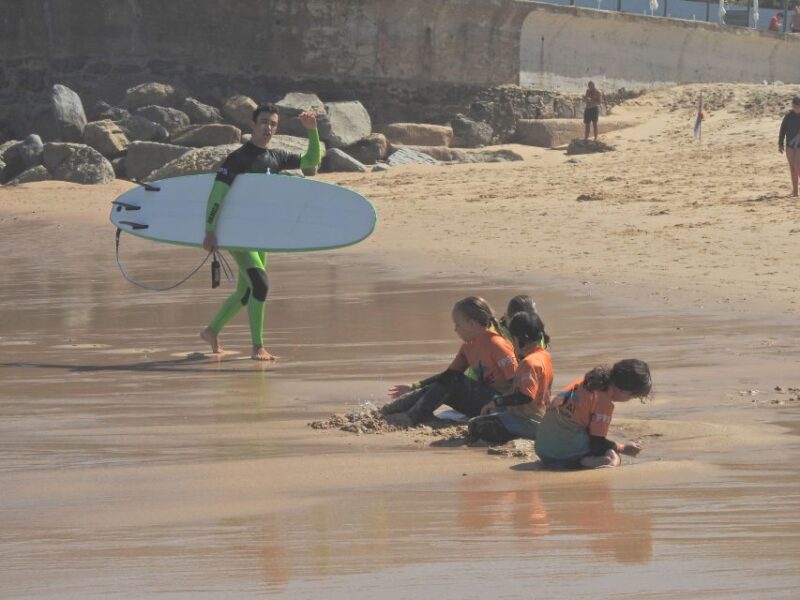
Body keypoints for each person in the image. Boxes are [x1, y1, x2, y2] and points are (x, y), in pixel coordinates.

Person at [200, 104, 322, 360]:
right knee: (261, 283)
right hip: (238, 234)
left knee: (245, 292)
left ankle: (211, 331)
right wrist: (210, 230)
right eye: (264, 122)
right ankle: (258, 347)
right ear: (253, 124)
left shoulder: (276, 158)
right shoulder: (238, 159)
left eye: (273, 124)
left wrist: (312, 131)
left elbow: (311, 162)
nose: (268, 127)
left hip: (261, 235)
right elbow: (217, 194)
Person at [382, 296, 518, 427]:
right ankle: (390, 410)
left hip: (499, 405)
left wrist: (501, 405)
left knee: (454, 381)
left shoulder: (497, 345)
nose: (455, 330)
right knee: (442, 384)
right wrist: (414, 386)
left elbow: (518, 383)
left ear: (472, 324)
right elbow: (447, 377)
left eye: (457, 325)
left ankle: (414, 416)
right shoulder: (468, 347)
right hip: (481, 402)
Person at [534, 359, 651, 469]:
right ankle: (582, 461)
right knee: (612, 457)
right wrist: (623, 448)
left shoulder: (586, 382)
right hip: (561, 455)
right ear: (624, 391)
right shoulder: (603, 401)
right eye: (632, 397)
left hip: (542, 448)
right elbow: (597, 443)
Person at [467, 311, 553, 445]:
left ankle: (515, 434)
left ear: (519, 339)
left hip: (528, 421)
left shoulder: (529, 362)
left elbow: (525, 396)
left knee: (474, 425)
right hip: (540, 416)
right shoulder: (544, 356)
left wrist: (496, 403)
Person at [778, 96, 800, 197]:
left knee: (798, 166)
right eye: (794, 105)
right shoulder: (788, 116)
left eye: (797, 105)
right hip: (789, 145)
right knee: (792, 168)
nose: (795, 107)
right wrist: (780, 143)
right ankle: (795, 191)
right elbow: (783, 129)